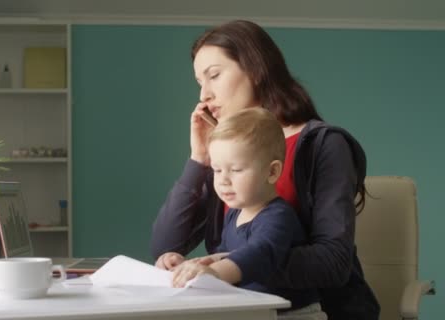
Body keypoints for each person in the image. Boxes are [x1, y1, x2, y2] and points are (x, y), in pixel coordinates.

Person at [150, 20, 380, 319]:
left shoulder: (325, 144)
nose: (203, 95)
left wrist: (227, 265)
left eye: (214, 76)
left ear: (256, 69)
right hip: (244, 309)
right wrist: (199, 159)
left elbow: (333, 262)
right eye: (199, 83)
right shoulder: (227, 157)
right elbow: (165, 246)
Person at [169, 107, 325, 319]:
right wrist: (192, 266)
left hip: (293, 313)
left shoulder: (277, 216)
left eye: (236, 170)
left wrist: (216, 273)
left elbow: (260, 252)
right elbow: (224, 253)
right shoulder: (234, 214)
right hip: (255, 309)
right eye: (217, 170)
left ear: (272, 172)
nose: (223, 179)